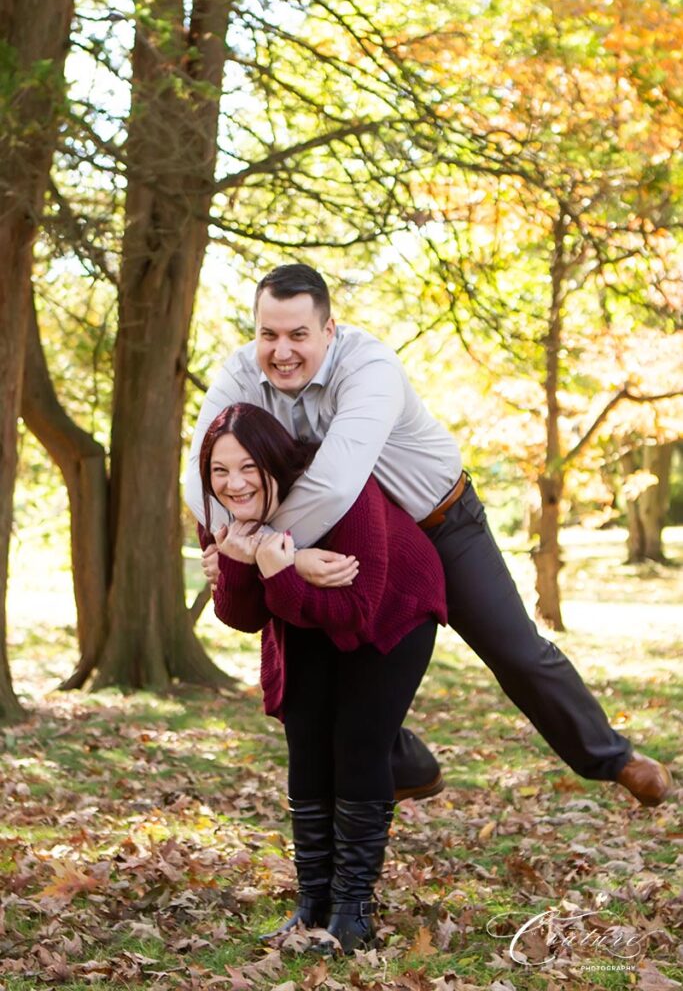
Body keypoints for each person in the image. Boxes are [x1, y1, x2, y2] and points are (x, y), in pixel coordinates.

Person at [185, 263, 673, 809]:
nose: (282, 351)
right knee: (336, 678)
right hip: (344, 540)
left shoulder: (369, 369)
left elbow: (333, 484)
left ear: (329, 330)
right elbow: (197, 478)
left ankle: (611, 757)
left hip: (440, 526)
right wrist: (241, 545)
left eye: (299, 334)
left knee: (515, 649)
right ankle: (404, 763)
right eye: (268, 334)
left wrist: (262, 551)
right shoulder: (240, 374)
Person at [198, 403, 447, 953]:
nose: (233, 484)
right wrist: (246, 560)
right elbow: (240, 615)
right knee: (306, 736)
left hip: (390, 606)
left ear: (273, 462)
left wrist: (276, 567)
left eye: (247, 467)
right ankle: (312, 904)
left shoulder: (337, 487)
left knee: (357, 743)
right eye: (219, 470)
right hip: (303, 610)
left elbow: (355, 612)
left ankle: (353, 914)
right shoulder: (216, 511)